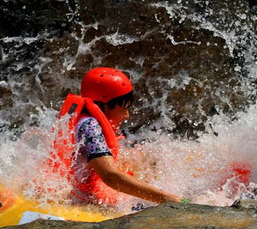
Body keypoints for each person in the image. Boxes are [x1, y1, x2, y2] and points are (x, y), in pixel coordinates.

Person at [50, 67, 181, 205]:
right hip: (75, 201)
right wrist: (164, 198)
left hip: (70, 191)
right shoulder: (90, 127)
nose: (127, 115)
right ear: (104, 106)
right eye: (123, 108)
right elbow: (110, 176)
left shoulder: (80, 117)